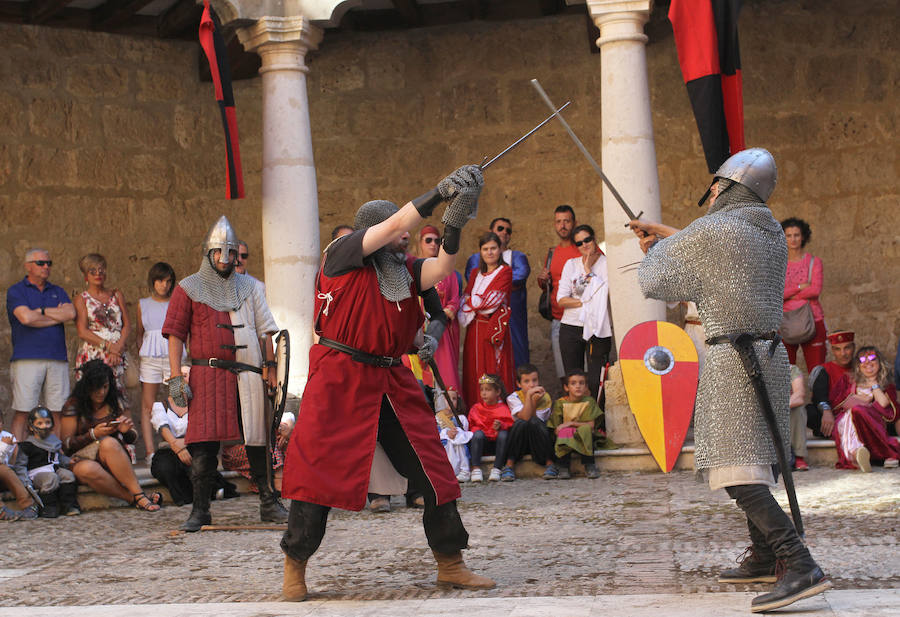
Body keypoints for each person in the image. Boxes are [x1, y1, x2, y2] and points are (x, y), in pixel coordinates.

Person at [280, 165, 495, 601]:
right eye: (395, 230)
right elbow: (400, 223)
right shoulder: (341, 253)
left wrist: (453, 223)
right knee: (316, 476)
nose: (405, 237)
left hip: (391, 380)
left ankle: (450, 563)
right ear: (374, 230)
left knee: (434, 467)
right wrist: (438, 191)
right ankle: (294, 567)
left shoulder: (402, 269)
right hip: (339, 379)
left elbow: (441, 271)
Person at [630, 148, 830, 612]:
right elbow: (720, 257)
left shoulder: (713, 229)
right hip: (770, 354)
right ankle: (763, 554)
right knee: (755, 459)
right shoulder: (770, 233)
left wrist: (656, 250)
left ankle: (798, 563)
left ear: (720, 187)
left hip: (733, 359)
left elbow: (656, 282)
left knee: (735, 467)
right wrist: (669, 237)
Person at [162, 215, 287, 532]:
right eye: (219, 252)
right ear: (208, 252)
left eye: (230, 253)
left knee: (258, 441)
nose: (225, 258)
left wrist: (271, 369)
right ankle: (200, 510)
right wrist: (176, 377)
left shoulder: (250, 287)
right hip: (208, 376)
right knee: (203, 446)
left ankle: (268, 503)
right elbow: (175, 334)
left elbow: (265, 332)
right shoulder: (188, 288)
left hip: (248, 375)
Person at [60, 359, 161, 512]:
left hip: (113, 456)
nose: (101, 392)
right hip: (81, 459)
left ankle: (138, 495)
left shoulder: (115, 400)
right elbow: (65, 445)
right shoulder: (73, 404)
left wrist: (126, 431)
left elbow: (133, 438)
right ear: (87, 387)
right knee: (87, 469)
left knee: (108, 443)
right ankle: (135, 497)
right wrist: (93, 434)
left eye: (105, 387)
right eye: (96, 388)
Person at [6, 248, 75, 442]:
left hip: (57, 358)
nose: (46, 267)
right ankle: (15, 459)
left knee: (58, 412)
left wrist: (41, 311)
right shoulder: (16, 290)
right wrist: (55, 315)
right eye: (41, 263)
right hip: (27, 358)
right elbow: (25, 317)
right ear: (28, 266)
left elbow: (70, 314)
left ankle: (54, 457)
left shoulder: (58, 291)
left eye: (49, 263)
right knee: (23, 411)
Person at [149, 387, 238, 507]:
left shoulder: (199, 405)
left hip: (193, 446)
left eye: (187, 375)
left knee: (197, 464)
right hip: (168, 449)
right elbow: (162, 427)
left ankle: (203, 493)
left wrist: (185, 443)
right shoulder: (160, 406)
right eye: (181, 376)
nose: (183, 382)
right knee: (165, 467)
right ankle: (198, 495)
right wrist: (178, 447)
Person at [556, 224, 612, 400]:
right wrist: (588, 300)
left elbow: (604, 295)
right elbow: (561, 300)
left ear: (594, 238)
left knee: (597, 381)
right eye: (579, 243)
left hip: (598, 327)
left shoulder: (607, 264)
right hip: (570, 327)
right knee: (573, 380)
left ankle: (599, 422)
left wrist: (588, 271)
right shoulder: (571, 265)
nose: (585, 245)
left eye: (587, 240)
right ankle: (575, 422)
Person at [459, 231, 515, 406]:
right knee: (473, 370)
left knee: (493, 370)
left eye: (493, 248)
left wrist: (472, 301)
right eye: (485, 249)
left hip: (492, 329)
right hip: (473, 330)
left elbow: (492, 301)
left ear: (500, 250)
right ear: (480, 252)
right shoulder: (475, 273)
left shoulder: (505, 272)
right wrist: (474, 300)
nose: (489, 252)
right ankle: (476, 413)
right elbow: (464, 300)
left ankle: (497, 413)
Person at [465, 218, 531, 366]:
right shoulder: (475, 259)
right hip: (480, 319)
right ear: (490, 231)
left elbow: (519, 276)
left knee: (514, 354)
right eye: (500, 228)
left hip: (511, 315)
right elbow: (472, 281)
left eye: (508, 230)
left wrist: (499, 285)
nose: (504, 232)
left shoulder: (518, 257)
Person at [73, 253, 131, 409]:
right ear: (85, 275)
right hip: (94, 353)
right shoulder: (82, 299)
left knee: (117, 396)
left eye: (101, 270)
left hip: (116, 354)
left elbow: (127, 324)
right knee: (93, 396)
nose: (98, 274)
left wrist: (117, 348)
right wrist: (109, 347)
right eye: (93, 271)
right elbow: (82, 331)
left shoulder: (116, 295)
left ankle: (122, 432)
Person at [830, 346, 900, 471]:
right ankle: (859, 453)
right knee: (853, 413)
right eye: (862, 360)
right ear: (858, 365)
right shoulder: (849, 380)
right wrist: (856, 398)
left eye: (872, 358)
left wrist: (873, 384)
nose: (867, 362)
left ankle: (860, 454)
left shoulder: (885, 383)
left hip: (871, 422)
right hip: (848, 420)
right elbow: (836, 402)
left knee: (858, 410)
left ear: (880, 362)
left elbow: (884, 404)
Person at [136, 262, 179, 465]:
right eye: (161, 281)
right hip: (150, 360)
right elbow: (139, 334)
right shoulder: (143, 304)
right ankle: (151, 452)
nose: (165, 285)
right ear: (153, 281)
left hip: (175, 357)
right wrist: (143, 355)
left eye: (169, 281)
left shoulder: (177, 302)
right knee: (149, 405)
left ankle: (177, 446)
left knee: (178, 401)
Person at [536, 205, 582, 382]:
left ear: (574, 223)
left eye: (567, 221)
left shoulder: (583, 248)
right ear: (554, 225)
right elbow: (550, 286)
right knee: (565, 376)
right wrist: (542, 280)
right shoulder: (552, 252)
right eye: (559, 222)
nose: (563, 226)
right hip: (559, 321)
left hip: (582, 320)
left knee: (584, 375)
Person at [13, 407, 79, 517]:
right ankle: (49, 507)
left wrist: (69, 461)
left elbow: (58, 457)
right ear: (31, 426)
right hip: (37, 475)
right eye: (40, 423)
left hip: (54, 469)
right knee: (50, 478)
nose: (44, 426)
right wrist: (26, 483)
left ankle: (68, 505)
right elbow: (20, 466)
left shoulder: (54, 441)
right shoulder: (27, 446)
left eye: (47, 422)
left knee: (68, 475)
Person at [419, 225, 462, 393]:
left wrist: (443, 314)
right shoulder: (414, 267)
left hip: (440, 330)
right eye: (428, 240)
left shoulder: (446, 270)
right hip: (418, 330)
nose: (433, 244)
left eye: (437, 241)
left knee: (445, 374)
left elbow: (455, 299)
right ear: (420, 243)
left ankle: (447, 414)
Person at [781, 217, 825, 369]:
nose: (793, 239)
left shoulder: (814, 262)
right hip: (785, 321)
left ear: (803, 236)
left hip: (812, 319)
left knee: (817, 369)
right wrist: (800, 287)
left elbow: (815, 290)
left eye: (797, 235)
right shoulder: (779, 265)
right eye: (788, 235)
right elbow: (777, 295)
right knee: (785, 371)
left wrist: (789, 294)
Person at [502, 364, 555, 482]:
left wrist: (535, 401)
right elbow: (525, 417)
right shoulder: (513, 397)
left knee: (534, 422)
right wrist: (530, 398)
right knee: (520, 423)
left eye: (534, 380)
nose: (532, 385)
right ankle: (509, 465)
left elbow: (536, 421)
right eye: (526, 381)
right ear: (519, 384)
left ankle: (550, 463)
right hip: (520, 441)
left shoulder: (545, 397)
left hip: (538, 440)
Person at [547, 370, 603, 479]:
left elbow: (591, 425)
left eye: (581, 383)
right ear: (566, 387)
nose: (578, 386)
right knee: (564, 432)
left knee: (585, 429)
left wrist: (570, 423)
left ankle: (589, 465)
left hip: (584, 438)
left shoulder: (589, 401)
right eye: (573, 383)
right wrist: (565, 428)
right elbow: (556, 428)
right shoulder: (560, 403)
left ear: (586, 387)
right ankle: (563, 466)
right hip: (565, 439)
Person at [806, 330, 855, 442]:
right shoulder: (824, 370)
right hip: (832, 417)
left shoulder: (862, 367)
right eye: (838, 349)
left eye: (847, 348)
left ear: (854, 347)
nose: (843, 353)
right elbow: (819, 396)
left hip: (856, 415)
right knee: (808, 412)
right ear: (832, 350)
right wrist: (826, 411)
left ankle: (833, 432)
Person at [467, 373, 514, 483]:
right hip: (482, 444)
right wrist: (485, 431)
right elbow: (471, 426)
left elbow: (510, 425)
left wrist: (501, 426)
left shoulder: (504, 409)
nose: (483, 393)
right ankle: (476, 468)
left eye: (488, 390)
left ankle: (497, 468)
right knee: (477, 434)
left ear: (497, 392)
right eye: (482, 390)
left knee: (503, 434)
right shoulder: (476, 408)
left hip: (499, 445)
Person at [0, 416, 39, 521]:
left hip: (4, 480)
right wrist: (3, 447)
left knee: (4, 469)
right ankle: (1, 511)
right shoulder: (5, 441)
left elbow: (15, 461)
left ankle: (29, 506)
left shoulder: (7, 437)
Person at [435, 388, 473, 482]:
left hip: (458, 446)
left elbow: (464, 433)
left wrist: (455, 434)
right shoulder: (437, 418)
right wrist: (446, 434)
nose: (450, 401)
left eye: (454, 399)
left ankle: (464, 471)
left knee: (459, 440)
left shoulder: (461, 418)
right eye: (446, 398)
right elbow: (435, 433)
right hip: (444, 444)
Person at [788, 365, 809, 471]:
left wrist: (779, 407)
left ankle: (798, 455)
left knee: (798, 408)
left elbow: (799, 395)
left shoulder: (790, 369)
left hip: (783, 409)